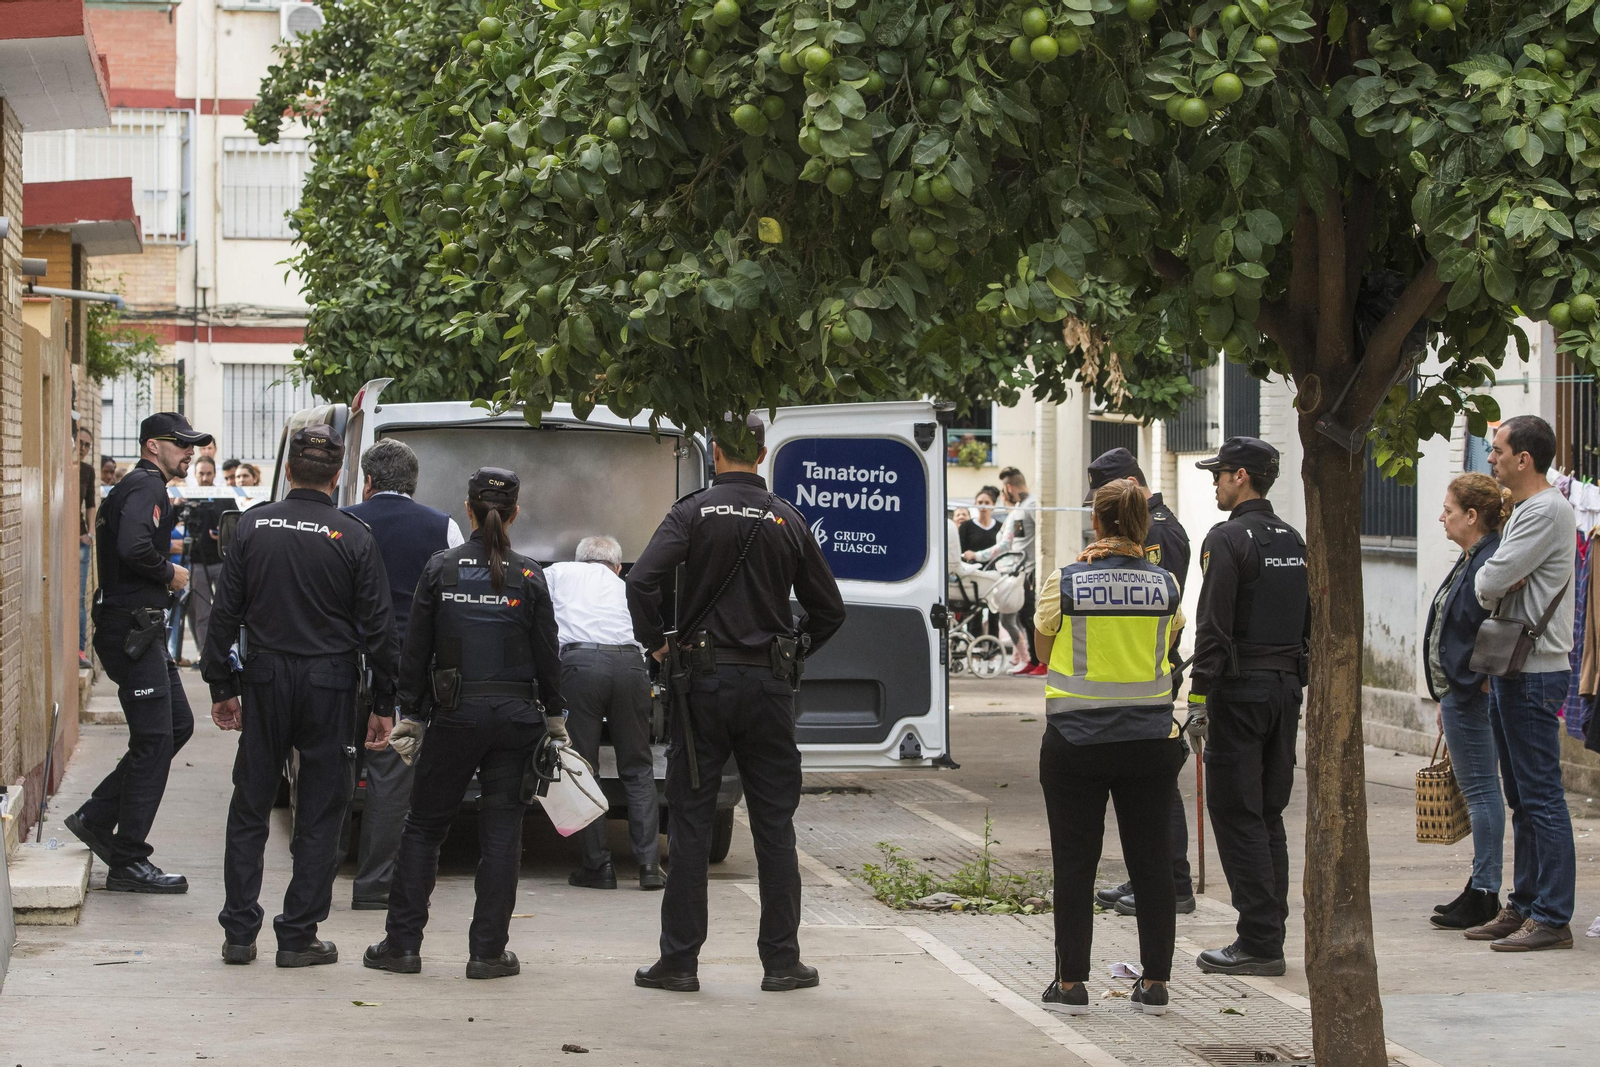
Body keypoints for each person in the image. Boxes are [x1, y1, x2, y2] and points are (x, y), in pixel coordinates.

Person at [626, 413, 845, 993]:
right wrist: (795, 652)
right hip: (769, 690)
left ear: (716, 451)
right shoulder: (788, 519)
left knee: (693, 822)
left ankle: (679, 963)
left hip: (701, 687)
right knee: (774, 824)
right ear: (763, 452)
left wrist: (657, 645)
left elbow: (641, 581)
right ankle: (781, 961)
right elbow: (830, 610)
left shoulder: (691, 512)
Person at [201, 424, 398, 968]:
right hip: (328, 683)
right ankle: (298, 934)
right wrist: (384, 702)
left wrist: (222, 685)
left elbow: (225, 613)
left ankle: (239, 933)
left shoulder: (251, 527)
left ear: (288, 471)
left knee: (251, 803)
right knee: (321, 806)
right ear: (338, 478)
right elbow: (379, 628)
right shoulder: (353, 535)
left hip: (264, 678)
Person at [364, 467, 564, 980]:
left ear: (468, 510)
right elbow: (548, 656)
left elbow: (415, 651)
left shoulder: (441, 569)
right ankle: (488, 953)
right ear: (515, 513)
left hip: (453, 717)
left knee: (425, 828)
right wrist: (556, 718)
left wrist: (411, 713)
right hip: (517, 719)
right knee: (502, 832)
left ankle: (403, 946)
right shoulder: (530, 575)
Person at [1034, 479, 1184, 1017]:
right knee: (1152, 863)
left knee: (1075, 864)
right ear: (1142, 523)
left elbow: (1042, 647)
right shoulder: (1165, 583)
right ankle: (1154, 984)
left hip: (1076, 741)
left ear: (1096, 522)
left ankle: (1071, 985)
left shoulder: (1066, 581)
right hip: (1149, 743)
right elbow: (1167, 645)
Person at [63, 412, 210, 893]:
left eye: (194, 445)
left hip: (138, 627)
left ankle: (95, 816)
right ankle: (127, 860)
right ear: (153, 446)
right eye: (181, 444)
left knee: (177, 727)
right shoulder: (146, 486)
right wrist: (171, 573)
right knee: (153, 739)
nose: (190, 452)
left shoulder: (142, 485)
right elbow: (131, 546)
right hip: (131, 627)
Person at [1187, 436, 1308, 977]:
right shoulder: (1293, 538)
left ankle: (1259, 941)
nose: (1215, 482)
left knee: (1236, 813)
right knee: (1267, 812)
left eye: (1219, 474)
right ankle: (1268, 933)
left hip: (1240, 691)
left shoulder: (1228, 537)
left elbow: (1213, 626)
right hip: (1285, 688)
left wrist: (1197, 696)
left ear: (1240, 477)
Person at [1467, 415, 1578, 952]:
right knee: (1521, 795)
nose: (1491, 459)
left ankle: (1552, 916)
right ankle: (1527, 903)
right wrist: (1497, 581)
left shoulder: (1545, 511)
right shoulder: (1527, 510)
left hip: (1534, 671)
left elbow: (1485, 580)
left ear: (1523, 459)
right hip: (1513, 667)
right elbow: (1491, 578)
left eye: (1496, 450)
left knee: (1541, 796)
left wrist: (1495, 583)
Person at [341, 438, 463, 911]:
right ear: (414, 484)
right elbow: (451, 598)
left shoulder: (346, 522)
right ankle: (374, 886)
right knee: (391, 776)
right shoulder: (442, 526)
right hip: (408, 669)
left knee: (332, 769)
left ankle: (317, 872)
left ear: (368, 482)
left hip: (344, 662)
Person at [1082, 448, 1198, 918]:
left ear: (1131, 483)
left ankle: (1173, 880)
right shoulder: (1151, 526)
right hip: (1136, 670)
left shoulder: (1160, 532)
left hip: (1146, 670)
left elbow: (1157, 599)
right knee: (1140, 783)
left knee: (1157, 783)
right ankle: (1146, 872)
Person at [547, 535, 664, 891]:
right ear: (617, 566)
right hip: (630, 665)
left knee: (584, 766)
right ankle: (648, 867)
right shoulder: (627, 584)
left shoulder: (558, 572)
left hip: (580, 664)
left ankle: (598, 867)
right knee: (638, 767)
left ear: (581, 560)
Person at [1422, 473, 1509, 931]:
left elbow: (1491, 624)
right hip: (1458, 691)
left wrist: (1470, 680)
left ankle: (1484, 891)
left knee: (1481, 792)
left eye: (1449, 510)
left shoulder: (1488, 560)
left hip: (1469, 692)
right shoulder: (1475, 557)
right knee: (1482, 792)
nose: (1442, 516)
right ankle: (1480, 885)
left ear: (1472, 516)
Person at [966, 467, 1041, 675]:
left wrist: (978, 555)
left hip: (1024, 571)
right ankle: (1028, 659)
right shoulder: (1020, 508)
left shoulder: (1030, 506)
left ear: (1008, 487)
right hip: (1017, 572)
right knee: (1018, 617)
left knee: (1024, 616)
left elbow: (1007, 545)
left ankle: (1035, 661)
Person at [184, 456, 238, 661]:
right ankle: (205, 654)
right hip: (198, 561)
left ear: (214, 474)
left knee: (227, 609)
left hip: (222, 560)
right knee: (202, 612)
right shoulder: (188, 496)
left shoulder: (224, 495)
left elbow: (234, 522)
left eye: (208, 473)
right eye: (201, 473)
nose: (205, 478)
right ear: (195, 474)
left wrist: (222, 532)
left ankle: (227, 651)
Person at [79, 428, 97, 669]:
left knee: (79, 600)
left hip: (81, 539)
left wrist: (90, 532)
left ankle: (80, 651)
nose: (83, 448)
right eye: (80, 442)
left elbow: (91, 504)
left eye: (87, 445)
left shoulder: (87, 471)